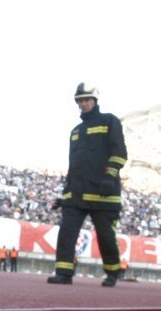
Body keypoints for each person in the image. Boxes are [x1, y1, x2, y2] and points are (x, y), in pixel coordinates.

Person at [48, 83, 127, 287]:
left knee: (105, 235)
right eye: (80, 100)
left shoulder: (109, 121)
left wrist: (110, 176)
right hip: (76, 194)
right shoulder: (76, 131)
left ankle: (112, 272)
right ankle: (64, 273)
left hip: (103, 192)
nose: (83, 103)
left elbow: (119, 152)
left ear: (95, 100)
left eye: (87, 99)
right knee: (67, 232)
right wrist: (64, 194)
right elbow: (73, 166)